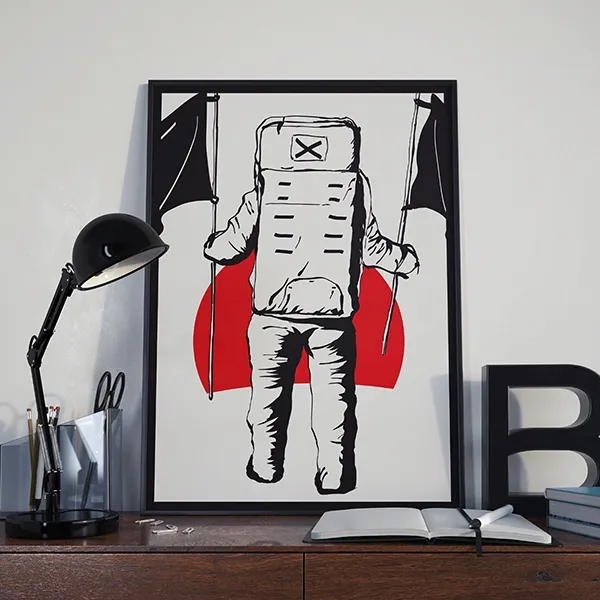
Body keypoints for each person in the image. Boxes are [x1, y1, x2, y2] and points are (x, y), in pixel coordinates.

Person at [204, 115, 419, 494]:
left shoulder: (265, 187)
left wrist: (211, 245)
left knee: (267, 398)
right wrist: (405, 260)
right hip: (333, 316)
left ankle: (265, 467)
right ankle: (335, 476)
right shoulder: (356, 187)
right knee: (335, 402)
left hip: (271, 314)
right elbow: (370, 248)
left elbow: (231, 247)